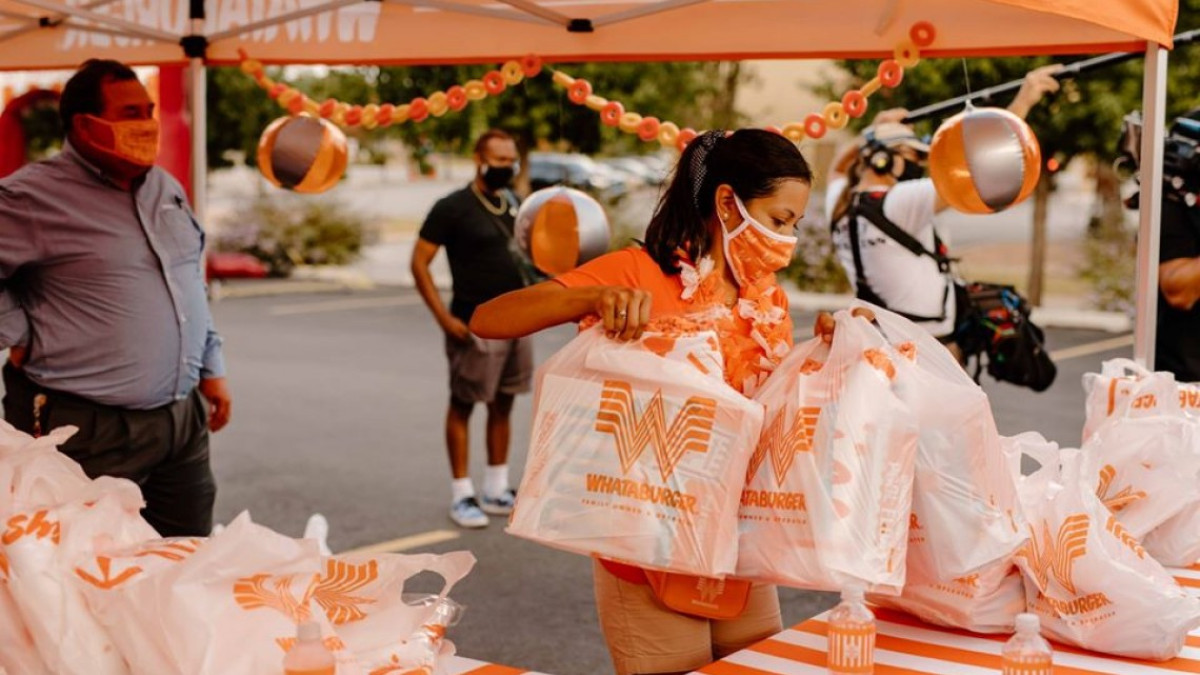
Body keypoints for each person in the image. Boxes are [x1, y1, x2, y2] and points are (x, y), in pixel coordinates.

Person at [471, 129, 815, 675]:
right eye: (777, 220)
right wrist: (590, 297)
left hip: (740, 551)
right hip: (646, 548)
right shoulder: (634, 272)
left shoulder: (765, 296)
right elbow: (489, 319)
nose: (786, 238)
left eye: (793, 225)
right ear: (727, 203)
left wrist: (828, 352)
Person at [0, 59, 231, 537]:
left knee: (183, 565)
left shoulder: (165, 188)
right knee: (87, 581)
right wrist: (16, 330)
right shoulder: (31, 197)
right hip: (83, 429)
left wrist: (212, 369)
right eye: (130, 113)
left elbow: (188, 280)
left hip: (182, 423)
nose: (147, 124)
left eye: (148, 110)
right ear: (85, 124)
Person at [825, 66, 1061, 355]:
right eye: (912, 155)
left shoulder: (840, 202)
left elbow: (838, 167)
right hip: (927, 344)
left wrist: (872, 132)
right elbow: (978, 170)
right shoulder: (899, 202)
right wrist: (1023, 102)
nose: (919, 165)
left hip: (882, 338)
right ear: (883, 159)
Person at [411, 129, 533, 529]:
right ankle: (462, 493)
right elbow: (419, 263)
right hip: (472, 322)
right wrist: (444, 319)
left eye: (510, 159)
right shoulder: (452, 207)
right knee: (463, 404)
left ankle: (496, 487)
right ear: (479, 160)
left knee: (504, 402)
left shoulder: (512, 203)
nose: (506, 167)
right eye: (498, 160)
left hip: (517, 319)